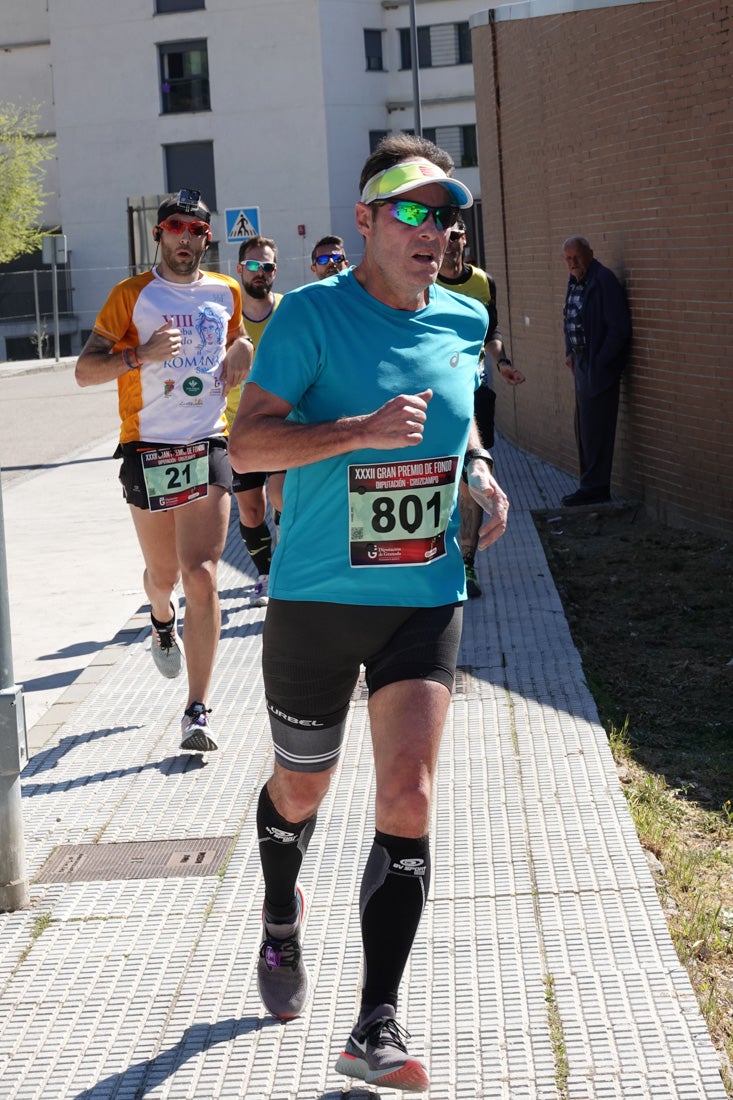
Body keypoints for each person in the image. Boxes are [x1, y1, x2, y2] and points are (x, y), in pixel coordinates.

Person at [229, 134, 509, 1093]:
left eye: (447, 215)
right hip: (315, 596)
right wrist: (357, 432)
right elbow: (248, 446)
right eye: (414, 213)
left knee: (410, 798)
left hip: (423, 594)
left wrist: (475, 467)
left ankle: (374, 1024)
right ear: (365, 220)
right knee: (302, 791)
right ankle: (279, 913)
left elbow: (460, 407)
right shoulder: (308, 316)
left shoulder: (464, 317)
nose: (436, 231)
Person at [75, 189, 253, 752]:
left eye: (197, 230)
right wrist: (140, 355)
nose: (186, 237)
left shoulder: (225, 291)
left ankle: (196, 710)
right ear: (159, 234)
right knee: (166, 577)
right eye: (175, 227)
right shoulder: (130, 296)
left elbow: (238, 336)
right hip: (148, 448)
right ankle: (159, 616)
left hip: (206, 442)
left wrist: (242, 350)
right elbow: (84, 371)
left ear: (207, 238)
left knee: (202, 572)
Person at [438, 218, 525, 597]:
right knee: (441, 480)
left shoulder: (483, 282)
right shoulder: (424, 280)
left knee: (472, 479)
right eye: (447, 235)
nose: (452, 242)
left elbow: (492, 335)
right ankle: (434, 556)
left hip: (475, 393)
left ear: (464, 238)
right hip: (435, 397)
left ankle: (467, 565)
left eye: (457, 234)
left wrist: (502, 363)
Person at [225, 235, 284, 605]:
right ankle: (263, 572)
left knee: (283, 499)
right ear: (239, 269)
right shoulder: (227, 317)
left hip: (282, 424)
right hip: (237, 428)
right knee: (251, 509)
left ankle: (283, 572)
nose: (260, 272)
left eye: (267, 266)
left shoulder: (288, 310)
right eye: (253, 265)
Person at [561, 235, 631, 506]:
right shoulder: (575, 279)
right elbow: (568, 316)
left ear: (590, 253)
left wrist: (600, 362)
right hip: (581, 362)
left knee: (597, 429)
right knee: (584, 428)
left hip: (597, 365)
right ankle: (588, 485)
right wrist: (570, 351)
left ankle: (596, 488)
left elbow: (620, 329)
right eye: (568, 258)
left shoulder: (603, 280)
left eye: (577, 257)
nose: (573, 263)